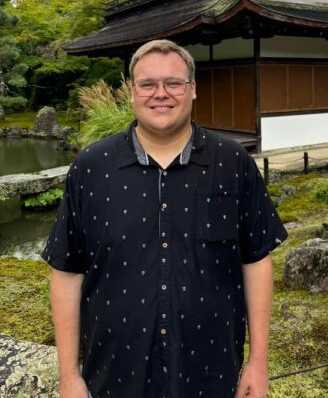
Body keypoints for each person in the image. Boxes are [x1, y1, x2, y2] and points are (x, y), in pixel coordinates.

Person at [43, 39, 287, 398]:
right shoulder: (91, 168)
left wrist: (258, 363)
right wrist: (69, 375)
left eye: (174, 83)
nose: (161, 94)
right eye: (148, 84)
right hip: (113, 374)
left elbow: (256, 262)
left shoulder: (232, 163)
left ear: (192, 90)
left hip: (213, 372)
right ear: (132, 92)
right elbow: (66, 272)